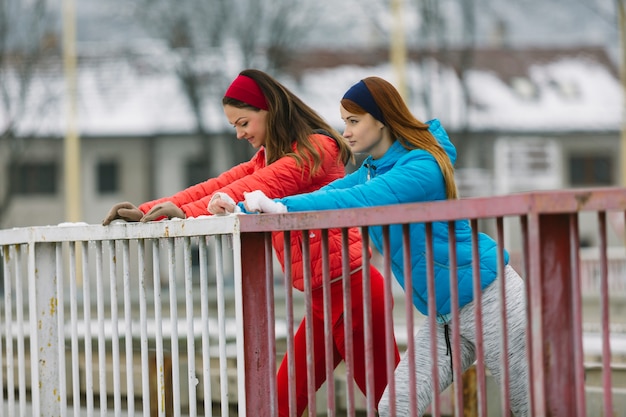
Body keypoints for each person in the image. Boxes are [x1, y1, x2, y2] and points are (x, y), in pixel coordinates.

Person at [101, 69, 400, 417]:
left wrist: (185, 214)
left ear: (269, 110)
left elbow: (250, 192)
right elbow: (214, 186)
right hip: (323, 300)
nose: (241, 133)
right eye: (235, 127)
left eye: (243, 122)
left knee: (392, 405)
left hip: (354, 293)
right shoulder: (267, 158)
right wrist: (147, 211)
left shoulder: (318, 149)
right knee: (279, 405)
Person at [237, 76, 529, 416]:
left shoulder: (423, 166)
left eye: (354, 121)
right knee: (394, 405)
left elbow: (360, 200)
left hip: (491, 302)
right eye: (345, 121)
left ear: (381, 119)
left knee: (527, 407)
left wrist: (284, 209)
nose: (345, 132)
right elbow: (329, 193)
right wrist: (250, 207)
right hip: (444, 319)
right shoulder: (374, 170)